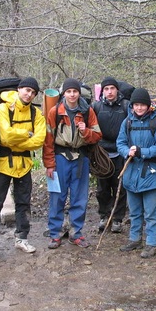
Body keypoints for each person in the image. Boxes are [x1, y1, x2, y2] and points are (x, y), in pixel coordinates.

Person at [0, 77, 46, 259]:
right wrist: (27, 133)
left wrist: (19, 139)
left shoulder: (36, 113)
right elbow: (4, 137)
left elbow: (40, 140)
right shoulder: (3, 108)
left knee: (23, 203)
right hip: (2, 164)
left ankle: (22, 238)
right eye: (27, 90)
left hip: (24, 165)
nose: (29, 94)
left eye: (33, 92)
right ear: (19, 89)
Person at [43, 78, 101, 249]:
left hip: (81, 159)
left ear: (79, 93)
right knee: (57, 197)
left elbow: (97, 135)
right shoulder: (55, 111)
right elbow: (48, 140)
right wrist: (49, 164)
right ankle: (55, 233)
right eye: (69, 91)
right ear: (64, 93)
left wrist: (86, 131)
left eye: (75, 91)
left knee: (79, 197)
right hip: (60, 158)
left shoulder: (87, 111)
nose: (72, 94)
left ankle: (76, 232)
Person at [116, 88, 156, 258]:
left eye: (142, 105)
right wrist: (126, 152)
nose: (139, 108)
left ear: (148, 105)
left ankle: (151, 243)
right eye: (136, 105)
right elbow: (120, 142)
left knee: (151, 212)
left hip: (150, 172)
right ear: (132, 106)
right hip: (131, 172)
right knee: (134, 211)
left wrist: (142, 152)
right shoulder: (127, 122)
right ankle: (134, 239)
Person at [92, 76, 129, 233]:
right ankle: (104, 216)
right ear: (103, 91)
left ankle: (118, 219)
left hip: (121, 151)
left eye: (112, 88)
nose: (109, 92)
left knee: (120, 187)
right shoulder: (97, 107)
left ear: (117, 90)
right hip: (102, 154)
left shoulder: (126, 106)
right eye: (106, 89)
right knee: (102, 188)